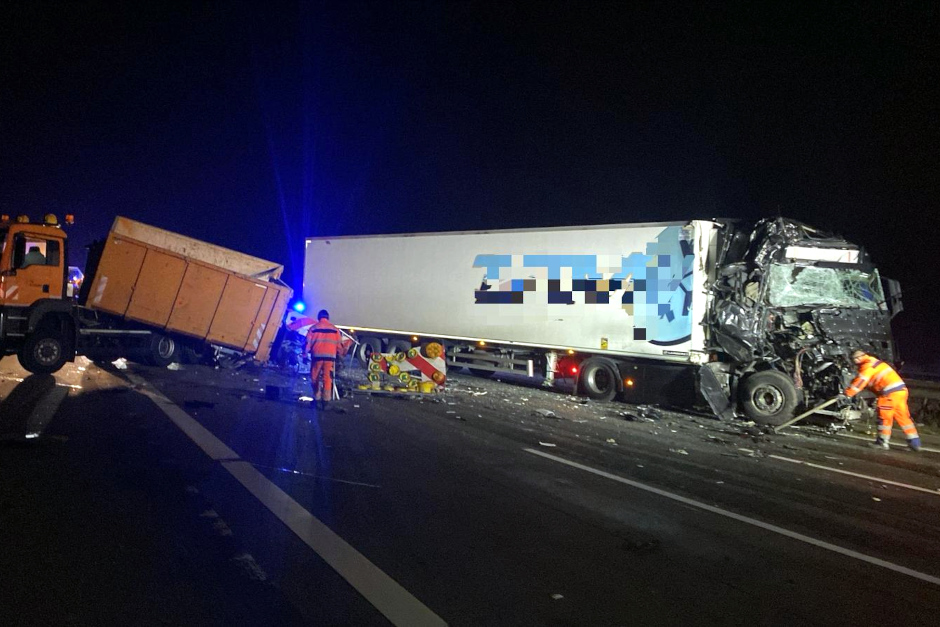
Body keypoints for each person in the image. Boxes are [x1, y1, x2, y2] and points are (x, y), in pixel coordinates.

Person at [845, 350, 921, 451]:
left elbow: (860, 382)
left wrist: (847, 393)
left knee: (884, 418)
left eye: (853, 360)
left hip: (889, 394)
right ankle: (914, 443)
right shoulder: (873, 362)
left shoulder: (867, 366)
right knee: (903, 418)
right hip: (900, 391)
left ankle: (882, 442)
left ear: (857, 359)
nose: (853, 363)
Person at [303, 309, 343, 410]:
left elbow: (308, 343)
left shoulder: (313, 328)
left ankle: (316, 398)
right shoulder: (335, 329)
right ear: (328, 318)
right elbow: (339, 345)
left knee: (314, 377)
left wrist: (304, 354)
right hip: (330, 358)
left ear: (319, 317)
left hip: (317, 357)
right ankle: (326, 401)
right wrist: (340, 355)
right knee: (327, 378)